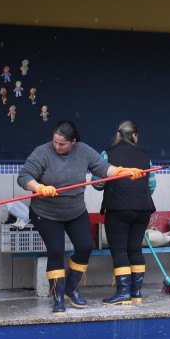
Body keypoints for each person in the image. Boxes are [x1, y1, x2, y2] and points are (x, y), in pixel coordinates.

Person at [17, 120, 144, 313]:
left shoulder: (83, 151)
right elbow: (24, 177)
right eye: (55, 142)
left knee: (85, 246)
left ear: (73, 141)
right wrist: (39, 187)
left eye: (62, 144)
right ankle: (58, 298)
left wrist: (121, 172)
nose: (57, 146)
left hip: (74, 210)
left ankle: (71, 288)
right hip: (46, 213)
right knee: (56, 251)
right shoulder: (42, 152)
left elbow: (102, 168)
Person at [97, 120, 157, 305]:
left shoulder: (107, 154)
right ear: (134, 136)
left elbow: (98, 183)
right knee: (135, 249)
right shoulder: (145, 156)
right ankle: (136, 293)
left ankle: (123, 293)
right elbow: (152, 186)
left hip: (118, 209)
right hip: (142, 209)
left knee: (120, 250)